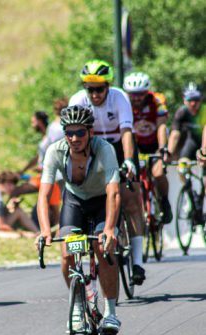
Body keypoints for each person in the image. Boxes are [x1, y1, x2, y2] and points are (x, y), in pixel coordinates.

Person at [37, 105, 121, 335]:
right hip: (75, 202)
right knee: (68, 253)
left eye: (80, 133)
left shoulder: (104, 149)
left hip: (103, 201)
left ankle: (111, 311)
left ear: (90, 132)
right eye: (69, 133)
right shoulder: (55, 151)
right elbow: (43, 196)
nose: (74, 138)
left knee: (102, 248)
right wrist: (45, 230)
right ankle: (77, 308)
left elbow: (114, 192)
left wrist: (111, 229)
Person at [69, 59, 145, 285]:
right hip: (93, 149)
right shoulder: (78, 101)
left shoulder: (119, 97)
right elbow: (75, 138)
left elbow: (127, 132)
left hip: (120, 148)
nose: (94, 94)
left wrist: (130, 161)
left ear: (108, 86)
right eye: (90, 89)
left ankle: (138, 262)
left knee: (131, 200)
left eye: (99, 88)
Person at [123, 72, 172, 223]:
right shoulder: (123, 102)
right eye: (133, 94)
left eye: (140, 94)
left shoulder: (157, 100)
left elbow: (162, 126)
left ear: (147, 92)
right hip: (135, 145)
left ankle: (164, 201)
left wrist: (163, 148)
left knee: (157, 173)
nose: (136, 98)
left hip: (155, 143)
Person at [168, 83, 206, 162]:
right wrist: (169, 153)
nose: (193, 103)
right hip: (192, 141)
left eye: (196, 99)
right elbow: (175, 134)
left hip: (205, 142)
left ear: (201, 99)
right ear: (184, 100)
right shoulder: (182, 112)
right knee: (182, 163)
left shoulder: (204, 111)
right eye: (189, 99)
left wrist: (204, 151)